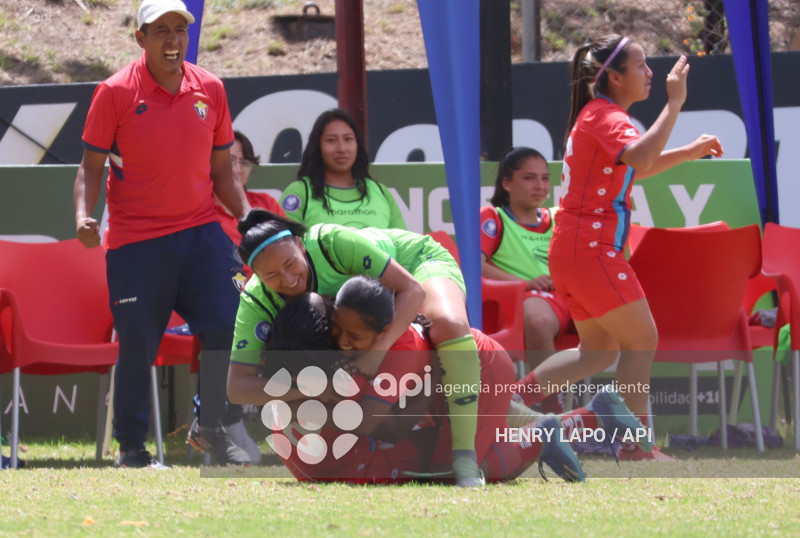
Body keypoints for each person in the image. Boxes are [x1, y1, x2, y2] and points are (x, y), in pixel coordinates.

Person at [73, 0, 253, 468]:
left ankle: (211, 421)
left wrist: (251, 219)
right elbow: (90, 168)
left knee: (232, 323)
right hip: (136, 241)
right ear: (140, 38)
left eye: (180, 30)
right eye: (160, 31)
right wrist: (82, 216)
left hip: (201, 233)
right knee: (138, 344)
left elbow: (222, 172)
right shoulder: (113, 92)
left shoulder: (209, 88)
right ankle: (132, 448)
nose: (173, 40)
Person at [527, 34, 723, 461]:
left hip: (574, 250)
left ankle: (511, 408)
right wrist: (674, 104)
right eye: (641, 66)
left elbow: (637, 165)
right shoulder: (606, 115)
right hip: (590, 249)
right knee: (642, 339)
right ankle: (636, 445)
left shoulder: (597, 114)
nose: (651, 73)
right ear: (614, 77)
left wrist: (687, 153)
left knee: (596, 351)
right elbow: (637, 158)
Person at [227, 209, 484, 486]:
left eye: (291, 264)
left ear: (301, 245)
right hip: (366, 364)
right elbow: (237, 387)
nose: (288, 279)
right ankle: (505, 408)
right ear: (255, 276)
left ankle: (464, 456)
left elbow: (413, 291)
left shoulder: (332, 242)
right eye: (272, 275)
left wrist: (378, 352)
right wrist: (309, 390)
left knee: (446, 324)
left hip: (414, 264)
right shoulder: (255, 300)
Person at [259, 287, 586, 484]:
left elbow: (390, 428)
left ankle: (552, 432)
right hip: (466, 372)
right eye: (337, 332)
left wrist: (429, 380)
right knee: (489, 416)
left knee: (456, 468)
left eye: (348, 334)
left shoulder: (383, 354)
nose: (343, 342)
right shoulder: (346, 361)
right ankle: (584, 418)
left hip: (476, 368)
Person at [480, 147, 573, 412]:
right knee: (537, 318)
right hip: (526, 303)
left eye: (545, 178)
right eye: (530, 178)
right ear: (506, 183)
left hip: (571, 299)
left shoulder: (559, 217)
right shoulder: (493, 218)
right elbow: (475, 265)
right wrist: (524, 284)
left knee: (621, 317)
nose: (540, 186)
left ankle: (626, 419)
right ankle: (552, 406)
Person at [279, 108, 407, 229]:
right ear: (318, 146)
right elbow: (281, 247)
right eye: (331, 140)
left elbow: (404, 247)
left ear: (357, 144)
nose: (341, 148)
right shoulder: (299, 192)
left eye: (348, 139)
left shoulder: (381, 193)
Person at [216, 130, 285, 246]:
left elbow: (291, 246)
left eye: (244, 163)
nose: (237, 170)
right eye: (230, 160)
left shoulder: (266, 203)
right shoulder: (199, 212)